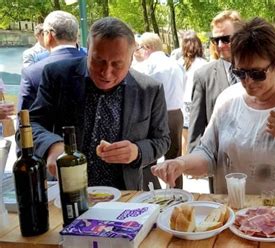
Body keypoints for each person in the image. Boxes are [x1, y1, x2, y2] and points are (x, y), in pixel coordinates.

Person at [151, 17, 275, 197]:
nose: (247, 81)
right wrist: (180, 163)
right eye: (240, 72)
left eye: (257, 74)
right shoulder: (228, 99)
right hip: (234, 218)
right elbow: (209, 154)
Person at [29, 17, 170, 190]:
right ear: (87, 51)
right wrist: (52, 146)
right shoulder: (57, 76)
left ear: (131, 59)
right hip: (67, 190)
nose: (106, 73)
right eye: (98, 61)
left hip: (125, 194)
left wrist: (137, 151)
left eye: (117, 64)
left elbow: (162, 140)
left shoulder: (149, 89)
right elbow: (31, 124)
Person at [132, 32, 185, 188]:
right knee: (175, 157)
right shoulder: (176, 64)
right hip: (176, 114)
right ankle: (176, 189)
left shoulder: (147, 66)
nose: (138, 51)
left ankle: (152, 191)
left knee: (150, 157)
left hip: (154, 114)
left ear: (148, 48)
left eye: (140, 47)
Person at [187, 10, 243, 153]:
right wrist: (194, 156)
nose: (219, 45)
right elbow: (197, 124)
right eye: (215, 40)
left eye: (225, 39)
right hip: (219, 161)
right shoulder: (203, 75)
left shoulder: (260, 70)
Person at [18, 11, 87, 111]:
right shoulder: (98, 67)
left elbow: (24, 119)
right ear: (76, 35)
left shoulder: (32, 73)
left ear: (49, 35)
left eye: (44, 32)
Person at [177, 31, 208, 155]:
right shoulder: (204, 64)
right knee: (199, 133)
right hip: (198, 101)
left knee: (184, 135)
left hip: (183, 101)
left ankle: (185, 162)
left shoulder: (179, 63)